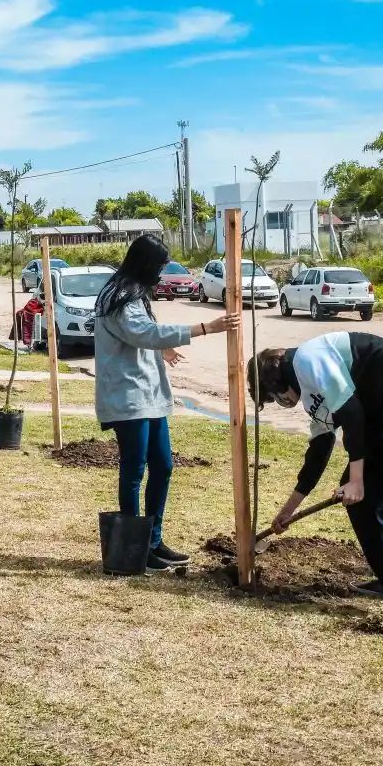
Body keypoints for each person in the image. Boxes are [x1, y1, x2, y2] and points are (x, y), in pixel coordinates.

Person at [249, 333, 383, 632]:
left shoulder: (308, 359)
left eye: (272, 398)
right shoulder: (310, 391)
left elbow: (351, 413)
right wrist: (288, 510)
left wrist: (358, 480)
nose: (281, 403)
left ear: (274, 383)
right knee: (365, 499)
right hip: (380, 405)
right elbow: (319, 450)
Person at [94, 235, 237, 573]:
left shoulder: (132, 291)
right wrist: (207, 327)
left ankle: (153, 541)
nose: (161, 273)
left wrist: (162, 349)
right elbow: (143, 333)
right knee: (135, 469)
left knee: (163, 465)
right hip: (128, 397)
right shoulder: (118, 297)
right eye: (158, 267)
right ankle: (134, 547)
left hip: (149, 396)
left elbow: (146, 335)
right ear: (145, 264)